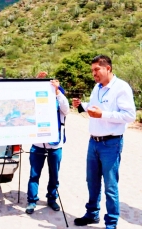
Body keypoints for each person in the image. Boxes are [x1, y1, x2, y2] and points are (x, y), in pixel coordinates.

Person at [72, 55, 136, 229]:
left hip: (111, 144)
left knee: (110, 185)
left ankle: (111, 222)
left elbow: (130, 116)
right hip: (93, 142)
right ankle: (92, 214)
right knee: (92, 181)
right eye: (92, 70)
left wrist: (103, 115)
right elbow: (96, 107)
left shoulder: (121, 88)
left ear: (107, 68)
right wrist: (82, 105)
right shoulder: (97, 88)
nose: (94, 74)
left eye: (96, 70)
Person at [25, 75, 70, 214]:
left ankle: (52, 199)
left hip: (55, 146)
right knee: (34, 174)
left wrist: (57, 91)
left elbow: (66, 109)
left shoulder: (60, 99)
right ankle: (32, 201)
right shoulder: (36, 101)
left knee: (54, 175)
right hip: (38, 145)